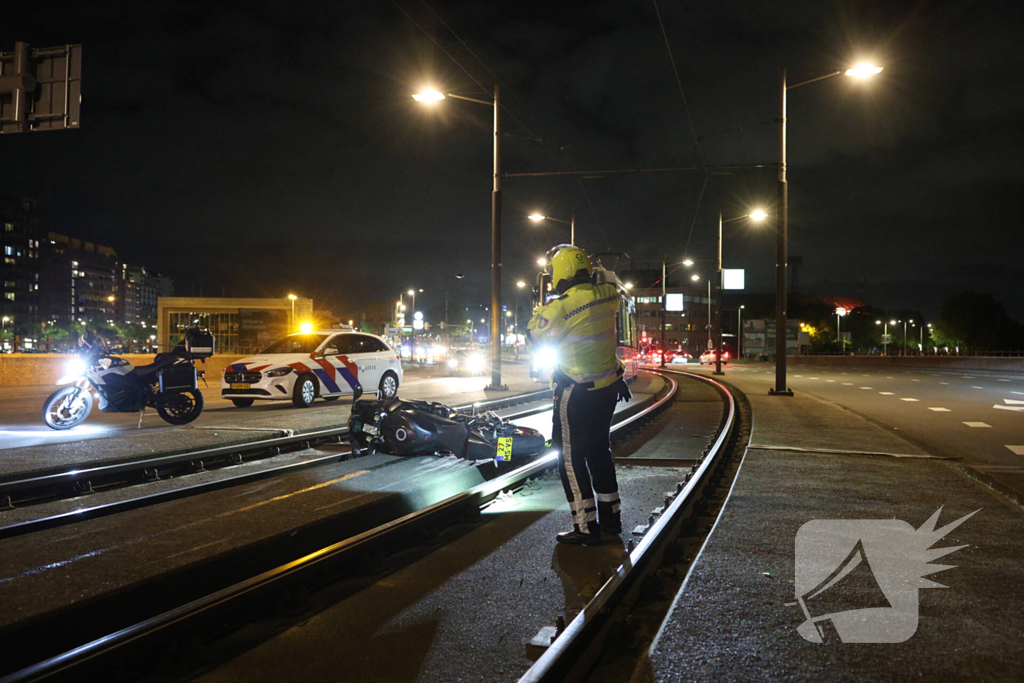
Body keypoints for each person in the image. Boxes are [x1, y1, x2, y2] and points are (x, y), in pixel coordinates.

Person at [527, 245, 632, 545]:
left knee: (570, 459)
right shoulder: (607, 295)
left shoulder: (560, 308)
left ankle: (585, 528)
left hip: (576, 392)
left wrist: (545, 308)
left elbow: (533, 336)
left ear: (561, 273)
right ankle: (611, 519)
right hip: (607, 388)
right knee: (600, 451)